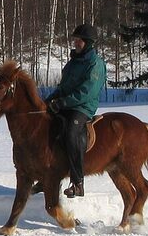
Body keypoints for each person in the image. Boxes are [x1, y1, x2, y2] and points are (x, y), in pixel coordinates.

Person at [42, 23, 107, 198]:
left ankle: (78, 183)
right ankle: (47, 176)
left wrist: (63, 103)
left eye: (79, 40)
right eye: (75, 40)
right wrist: (50, 100)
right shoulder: (73, 62)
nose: (76, 43)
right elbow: (64, 86)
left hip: (82, 107)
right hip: (66, 104)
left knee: (71, 131)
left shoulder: (95, 64)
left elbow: (88, 91)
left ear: (88, 43)